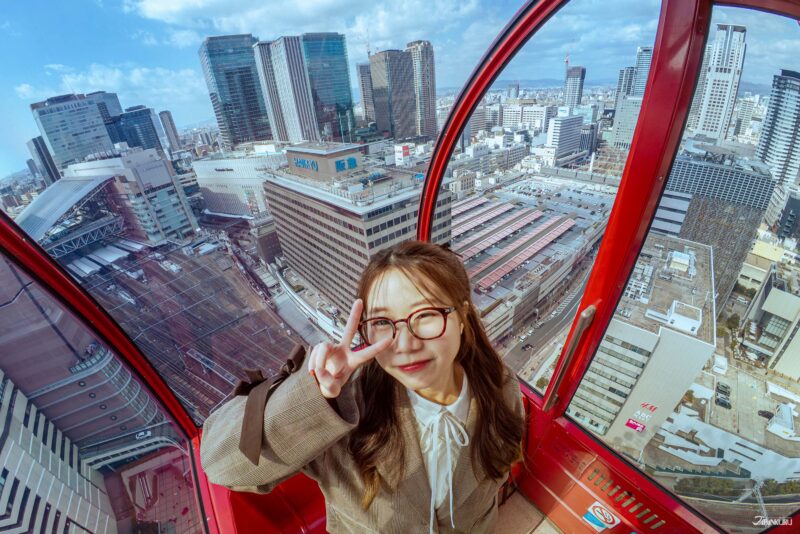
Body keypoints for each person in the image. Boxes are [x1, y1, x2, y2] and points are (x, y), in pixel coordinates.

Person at [201, 240, 525, 533]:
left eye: (425, 314)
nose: (405, 344)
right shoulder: (343, 411)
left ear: (462, 317)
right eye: (383, 323)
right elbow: (221, 464)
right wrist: (318, 397)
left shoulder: (499, 387)